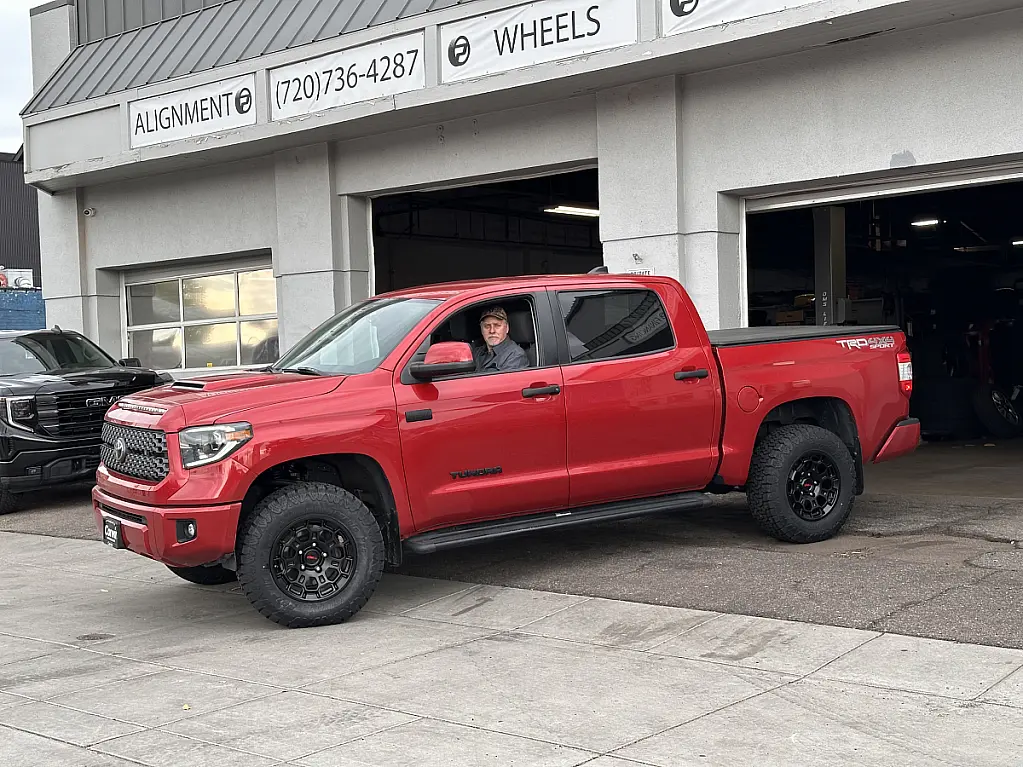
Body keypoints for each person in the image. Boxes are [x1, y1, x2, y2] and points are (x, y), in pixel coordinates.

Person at [472, 306, 529, 373]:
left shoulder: (516, 356)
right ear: (481, 330)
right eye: (487, 326)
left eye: (497, 325)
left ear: (507, 328)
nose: (492, 331)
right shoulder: (477, 352)